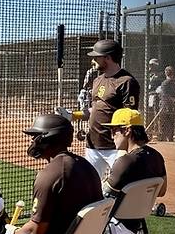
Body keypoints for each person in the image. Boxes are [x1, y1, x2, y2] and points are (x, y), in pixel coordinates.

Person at [58, 39, 140, 180]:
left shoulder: (127, 82)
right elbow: (95, 110)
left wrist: (125, 145)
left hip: (114, 147)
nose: (93, 61)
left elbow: (130, 118)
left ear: (107, 58)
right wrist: (72, 116)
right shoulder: (97, 80)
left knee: (122, 185)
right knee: (90, 186)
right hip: (93, 144)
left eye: (96, 57)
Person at [102, 108, 167, 234]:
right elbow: (161, 191)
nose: (111, 135)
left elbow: (101, 197)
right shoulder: (157, 157)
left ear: (127, 130)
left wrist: (103, 181)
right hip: (137, 227)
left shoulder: (125, 162)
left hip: (113, 227)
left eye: (114, 131)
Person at [157, 65, 175, 142]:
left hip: (165, 104)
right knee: (170, 121)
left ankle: (163, 136)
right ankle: (170, 137)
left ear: (166, 73)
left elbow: (164, 94)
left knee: (163, 120)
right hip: (172, 104)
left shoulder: (165, 83)